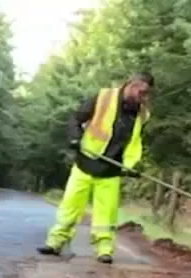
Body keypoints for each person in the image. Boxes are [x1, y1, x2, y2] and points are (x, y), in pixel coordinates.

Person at [39, 72, 154, 264]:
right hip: (86, 161)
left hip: (111, 169)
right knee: (70, 207)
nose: (139, 96)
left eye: (144, 93)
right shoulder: (103, 97)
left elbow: (134, 143)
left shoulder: (143, 114)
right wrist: (75, 138)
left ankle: (104, 250)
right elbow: (76, 119)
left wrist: (130, 166)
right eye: (137, 90)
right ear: (129, 84)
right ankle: (55, 242)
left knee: (106, 214)